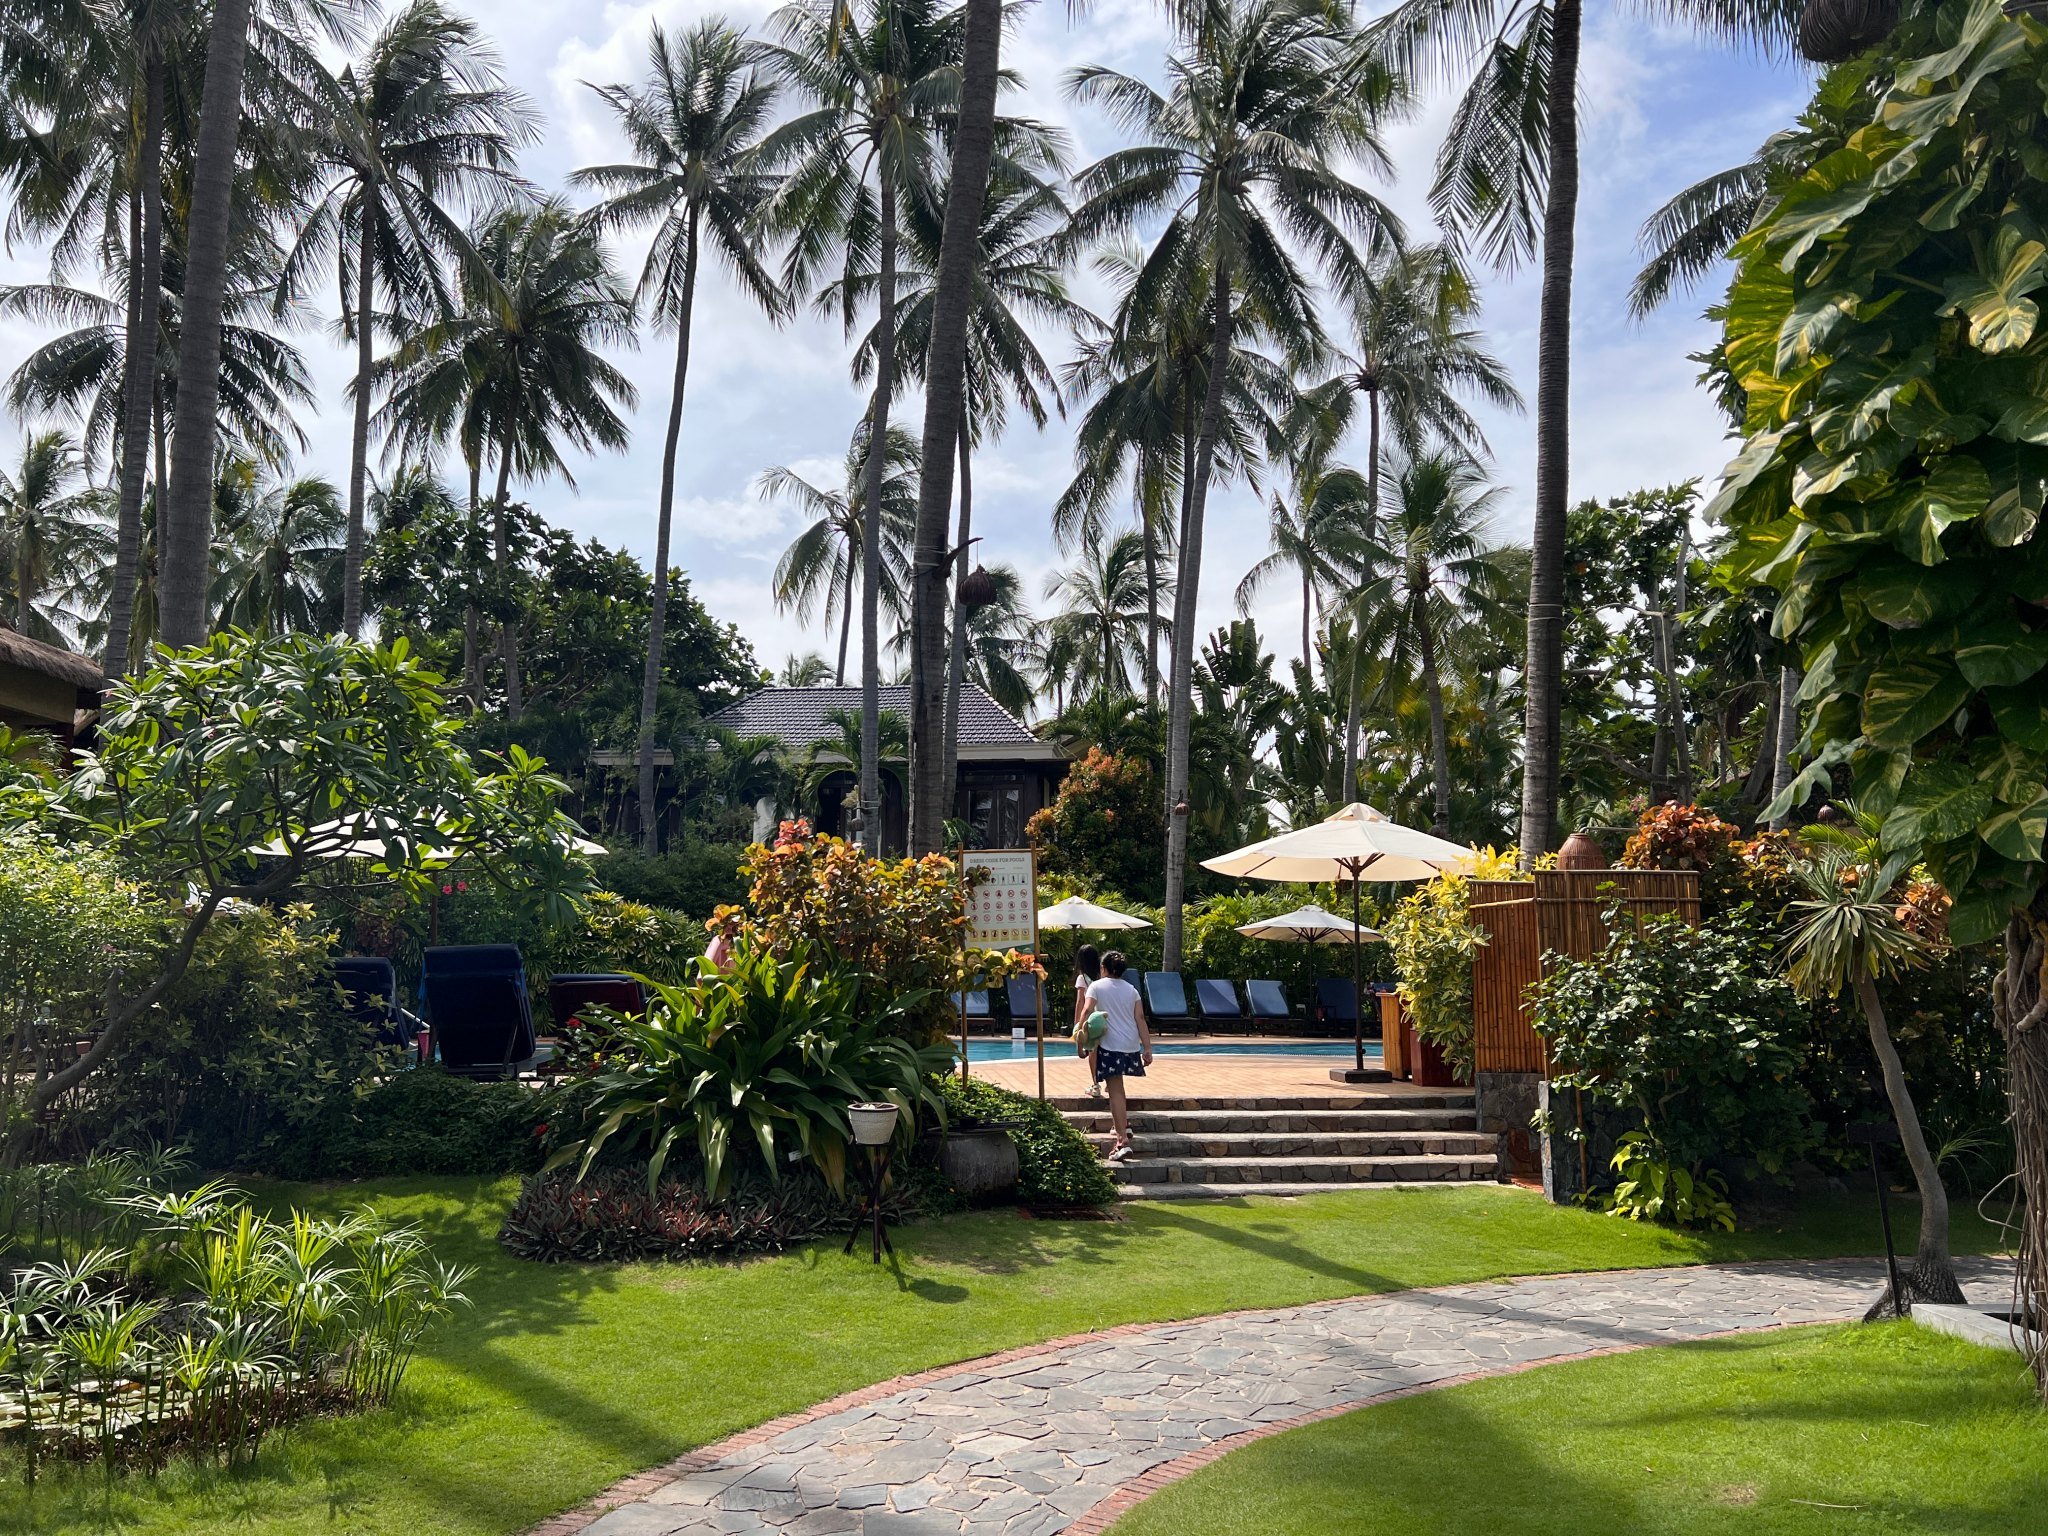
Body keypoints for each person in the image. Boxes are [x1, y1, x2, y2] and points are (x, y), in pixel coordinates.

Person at [1081, 950, 1152, 1162]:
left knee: (1115, 1090)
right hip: (1130, 1045)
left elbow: (1086, 1012)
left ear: (1103, 969)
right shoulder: (1132, 990)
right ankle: (1123, 1128)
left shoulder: (1096, 986)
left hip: (1110, 1045)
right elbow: (1140, 1018)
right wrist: (1147, 1048)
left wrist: (1080, 1039)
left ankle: (1122, 1141)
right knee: (1117, 1087)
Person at [1072, 944, 1104, 1100]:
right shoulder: (1103, 975)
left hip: (1090, 1019)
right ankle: (1111, 1083)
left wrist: (1077, 1023)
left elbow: (1080, 1002)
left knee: (1093, 1052)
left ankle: (1096, 1084)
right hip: (1104, 1016)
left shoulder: (1082, 978)